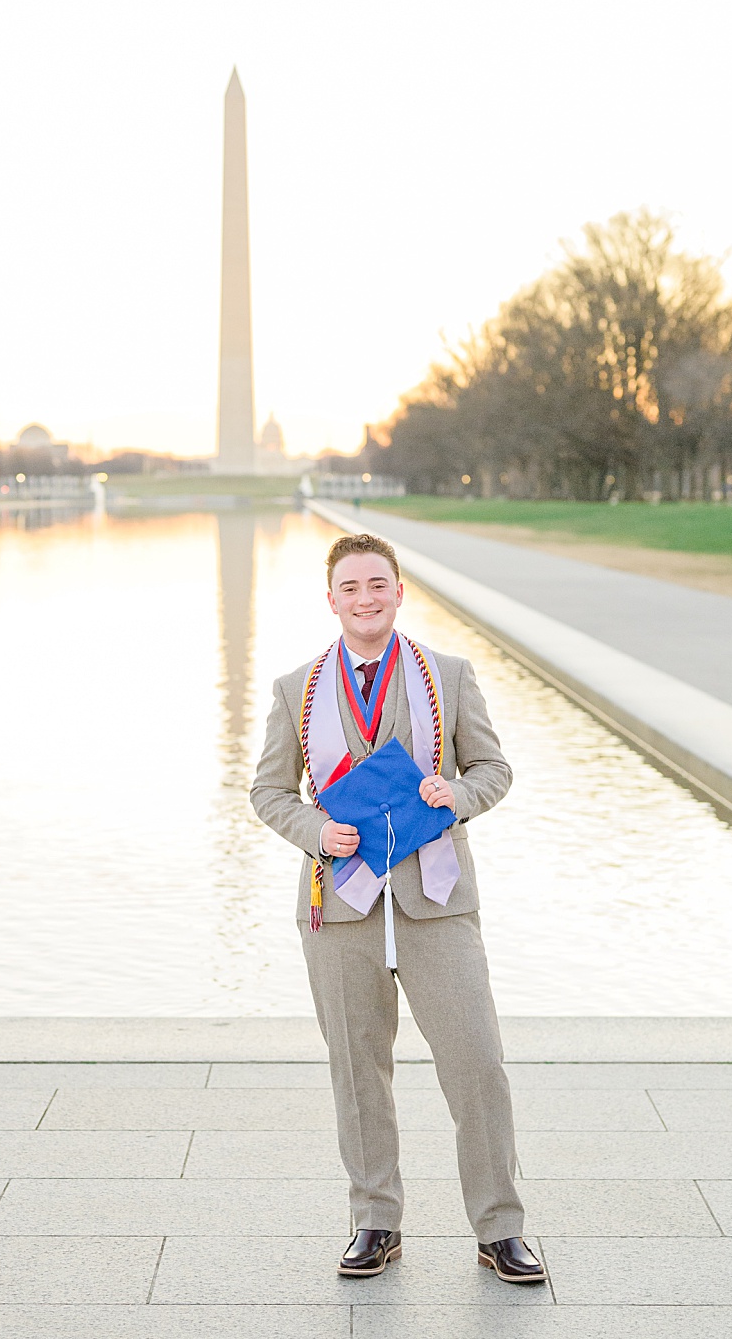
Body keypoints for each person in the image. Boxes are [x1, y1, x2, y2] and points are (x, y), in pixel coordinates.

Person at [250, 531, 545, 1284]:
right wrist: (317, 830)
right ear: (332, 600)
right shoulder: (298, 687)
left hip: (435, 898)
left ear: (398, 589)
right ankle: (375, 1219)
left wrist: (460, 798)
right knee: (357, 1071)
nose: (366, 598)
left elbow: (495, 767)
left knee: (477, 1063)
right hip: (341, 906)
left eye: (377, 583)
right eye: (350, 587)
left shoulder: (447, 675)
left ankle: (500, 1228)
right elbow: (269, 792)